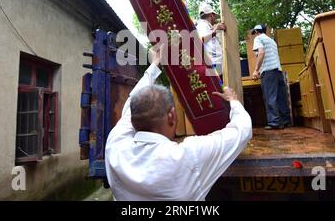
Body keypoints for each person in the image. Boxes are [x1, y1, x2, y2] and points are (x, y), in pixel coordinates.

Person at [105, 45, 252, 201]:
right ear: (172, 117)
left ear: (132, 120)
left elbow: (130, 104)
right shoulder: (188, 155)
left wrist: (155, 64)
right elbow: (242, 130)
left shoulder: (115, 145)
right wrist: (234, 101)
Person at [251, 24, 291, 130]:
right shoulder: (272, 41)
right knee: (281, 97)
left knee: (270, 97)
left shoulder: (258, 38)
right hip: (278, 71)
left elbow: (261, 52)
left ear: (256, 32)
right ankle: (286, 121)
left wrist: (256, 70)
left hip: (268, 72)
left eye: (254, 33)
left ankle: (275, 122)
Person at [196, 4, 226, 71]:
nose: (215, 18)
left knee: (222, 81)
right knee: (218, 81)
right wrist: (215, 31)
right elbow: (200, 40)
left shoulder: (206, 26)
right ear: (211, 15)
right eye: (214, 16)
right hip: (213, 63)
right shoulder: (202, 25)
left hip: (215, 62)